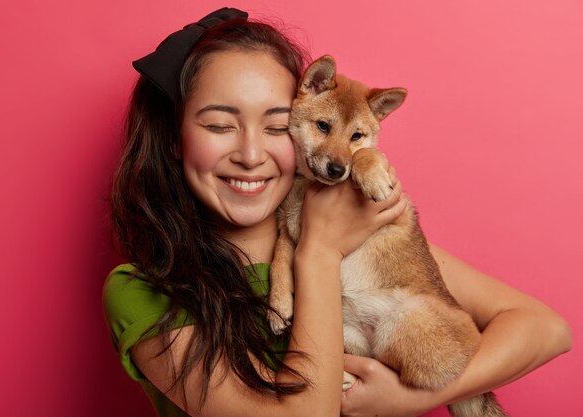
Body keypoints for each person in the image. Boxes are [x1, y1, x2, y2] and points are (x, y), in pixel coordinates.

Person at [102, 8, 572, 417]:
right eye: (221, 125)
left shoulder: (368, 236)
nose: (250, 153)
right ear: (172, 138)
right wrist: (320, 251)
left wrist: (408, 398)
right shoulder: (144, 292)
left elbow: (545, 329)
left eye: (277, 125)